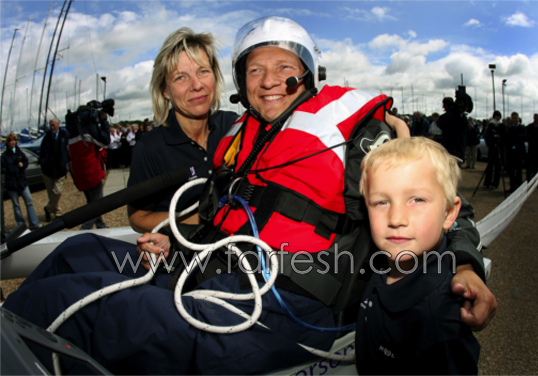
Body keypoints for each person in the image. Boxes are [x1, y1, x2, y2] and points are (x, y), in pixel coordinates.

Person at [4, 17, 495, 375]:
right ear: (241, 83)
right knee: (78, 251)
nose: (268, 81)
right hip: (210, 267)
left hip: (283, 303)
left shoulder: (358, 134)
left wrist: (467, 264)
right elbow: (229, 216)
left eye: (283, 67)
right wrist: (178, 241)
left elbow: (448, 202)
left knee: (74, 306)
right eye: (254, 71)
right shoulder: (237, 138)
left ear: (306, 73)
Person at [356, 137, 480, 375]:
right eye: (381, 202)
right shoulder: (384, 262)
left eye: (417, 200)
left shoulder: (439, 323)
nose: (396, 219)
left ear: (449, 213)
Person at [127, 27, 238, 233]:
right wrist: (203, 218)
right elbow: (138, 218)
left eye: (203, 71)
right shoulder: (150, 148)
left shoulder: (233, 126)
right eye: (181, 77)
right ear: (164, 90)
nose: (196, 85)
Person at [66, 104, 110, 229]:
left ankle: (101, 226)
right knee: (97, 205)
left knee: (91, 203)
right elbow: (106, 141)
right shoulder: (88, 129)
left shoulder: (71, 132)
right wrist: (103, 121)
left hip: (79, 174)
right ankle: (82, 231)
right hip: (91, 172)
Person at [1, 133, 41, 230]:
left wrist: (22, 165)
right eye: (11, 141)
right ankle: (21, 225)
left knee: (29, 201)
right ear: (7, 143)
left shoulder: (19, 152)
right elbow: (1, 168)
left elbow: (26, 162)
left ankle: (34, 223)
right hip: (11, 182)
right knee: (16, 205)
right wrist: (8, 170)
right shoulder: (4, 156)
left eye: (14, 140)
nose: (12, 142)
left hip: (21, 181)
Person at [39, 117, 70, 221]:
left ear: (57, 124)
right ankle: (57, 213)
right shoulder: (47, 137)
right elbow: (42, 151)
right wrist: (43, 162)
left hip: (60, 168)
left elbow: (67, 149)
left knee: (57, 191)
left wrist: (66, 161)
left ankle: (48, 209)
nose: (52, 127)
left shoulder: (64, 135)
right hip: (48, 169)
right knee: (51, 193)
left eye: (53, 125)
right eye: (50, 125)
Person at [438, 97, 469, 165]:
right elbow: (467, 129)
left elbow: (440, 125)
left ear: (445, 105)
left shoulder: (444, 117)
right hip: (460, 148)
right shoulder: (462, 117)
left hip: (447, 147)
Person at [483, 110, 506, 189]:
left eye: (499, 116)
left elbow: (504, 137)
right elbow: (487, 137)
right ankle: (487, 183)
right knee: (489, 166)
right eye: (496, 116)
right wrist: (490, 144)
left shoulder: (502, 126)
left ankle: (495, 183)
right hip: (492, 148)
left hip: (499, 149)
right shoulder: (490, 125)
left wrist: (500, 144)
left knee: (498, 167)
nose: (497, 117)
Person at [504, 111, 526, 192]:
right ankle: (512, 186)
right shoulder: (509, 128)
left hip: (519, 152)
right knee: (511, 171)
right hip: (511, 152)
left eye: (516, 118)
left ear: (518, 118)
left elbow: (522, 138)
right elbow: (507, 138)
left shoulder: (522, 128)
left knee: (519, 170)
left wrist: (514, 138)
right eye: (513, 118)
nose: (515, 119)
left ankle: (519, 187)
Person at [525, 113, 538, 181]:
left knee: (537, 165)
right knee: (529, 166)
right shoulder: (529, 127)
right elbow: (526, 138)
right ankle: (528, 179)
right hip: (531, 149)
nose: (536, 119)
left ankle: (536, 178)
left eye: (537, 117)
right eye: (535, 117)